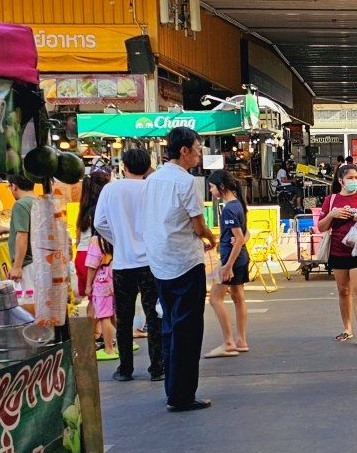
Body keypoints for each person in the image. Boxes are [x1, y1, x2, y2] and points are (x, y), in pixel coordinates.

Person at [141, 126, 216, 412]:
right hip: (185, 262)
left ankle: (173, 389)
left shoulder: (152, 180)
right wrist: (210, 238)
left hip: (160, 262)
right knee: (188, 330)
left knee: (170, 326)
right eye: (197, 148)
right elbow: (197, 224)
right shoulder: (186, 182)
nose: (199, 154)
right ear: (183, 151)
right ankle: (182, 394)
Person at [94, 147, 163, 384]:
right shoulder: (152, 189)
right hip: (150, 263)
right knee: (154, 315)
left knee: (123, 317)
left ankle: (125, 368)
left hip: (122, 263)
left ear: (123, 166)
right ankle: (157, 367)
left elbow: (99, 222)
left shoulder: (111, 189)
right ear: (147, 167)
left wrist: (118, 239)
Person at [318, 164, 357, 346]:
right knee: (343, 291)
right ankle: (347, 328)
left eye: (356, 178)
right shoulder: (331, 200)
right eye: (350, 178)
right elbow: (321, 226)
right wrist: (332, 214)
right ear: (340, 180)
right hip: (338, 251)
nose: (354, 181)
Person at [205, 169, 251, 358]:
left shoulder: (230, 208)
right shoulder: (238, 204)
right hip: (238, 258)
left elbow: (239, 238)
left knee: (215, 299)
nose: (210, 191)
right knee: (238, 296)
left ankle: (229, 342)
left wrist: (228, 265)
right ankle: (240, 339)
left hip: (231, 259)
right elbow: (244, 235)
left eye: (212, 187)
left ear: (221, 187)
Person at [74, 170, 111, 298]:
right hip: (98, 257)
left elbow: (78, 238)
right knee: (103, 305)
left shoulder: (83, 211)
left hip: (81, 255)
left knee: (93, 301)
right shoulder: (102, 210)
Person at [83, 231, 117, 359]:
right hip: (115, 278)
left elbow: (92, 264)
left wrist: (88, 285)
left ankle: (109, 349)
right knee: (113, 314)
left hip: (101, 280)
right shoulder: (113, 234)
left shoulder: (97, 239)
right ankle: (127, 342)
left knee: (104, 316)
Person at [7, 174, 37, 282]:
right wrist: (8, 229)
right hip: (38, 263)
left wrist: (17, 266)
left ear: (14, 186)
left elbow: (22, 235)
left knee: (27, 298)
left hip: (28, 266)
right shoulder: (39, 201)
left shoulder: (20, 205)